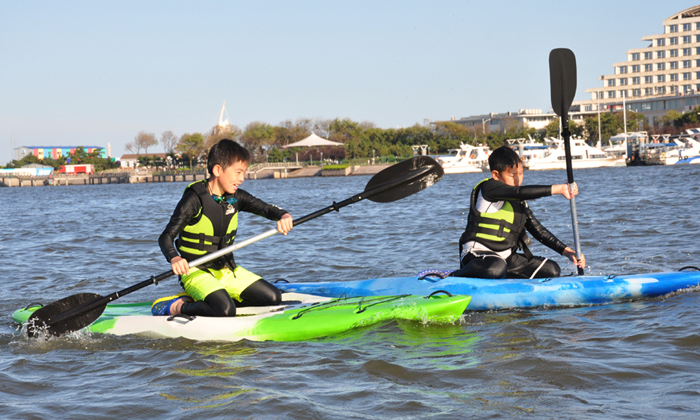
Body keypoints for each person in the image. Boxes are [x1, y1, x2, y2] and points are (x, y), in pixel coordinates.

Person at [152, 139, 294, 316]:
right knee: (225, 310)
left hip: (226, 269)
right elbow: (165, 237)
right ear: (217, 170)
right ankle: (175, 305)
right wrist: (174, 258)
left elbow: (266, 209)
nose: (242, 178)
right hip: (196, 271)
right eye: (238, 172)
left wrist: (284, 216)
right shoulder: (194, 199)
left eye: (244, 172)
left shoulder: (236, 197)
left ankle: (217, 300)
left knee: (273, 297)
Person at [450, 145, 585, 279]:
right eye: (512, 174)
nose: (518, 179)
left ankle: (506, 281)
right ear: (496, 175)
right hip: (477, 256)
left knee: (552, 270)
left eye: (520, 173)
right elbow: (519, 192)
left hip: (506, 259)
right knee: (496, 268)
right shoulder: (489, 188)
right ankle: (455, 275)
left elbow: (538, 230)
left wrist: (568, 252)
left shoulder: (520, 203)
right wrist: (559, 189)